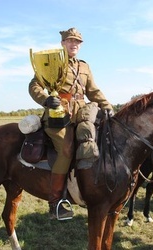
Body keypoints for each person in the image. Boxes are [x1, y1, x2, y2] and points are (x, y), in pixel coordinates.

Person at [28, 27, 113, 219]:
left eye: (77, 42)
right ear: (63, 43)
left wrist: (108, 107)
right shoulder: (51, 61)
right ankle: (55, 201)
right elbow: (34, 85)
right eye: (70, 40)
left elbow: (93, 91)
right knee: (67, 150)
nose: (74, 44)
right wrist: (45, 99)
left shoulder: (84, 66)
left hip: (82, 114)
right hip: (58, 117)